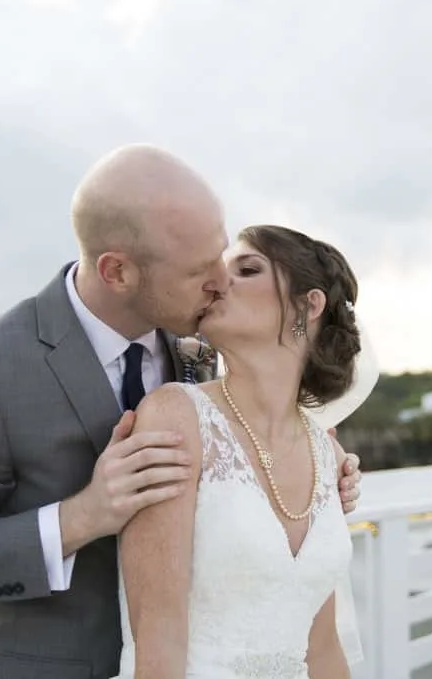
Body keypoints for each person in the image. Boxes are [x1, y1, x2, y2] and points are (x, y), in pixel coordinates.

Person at [0, 145, 364, 679]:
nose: (220, 283)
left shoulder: (196, 354)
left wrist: (312, 482)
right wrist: (81, 516)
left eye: (225, 259)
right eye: (202, 270)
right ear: (118, 272)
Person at [117, 224, 363, 678]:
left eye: (247, 269)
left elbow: (322, 646)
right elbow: (158, 639)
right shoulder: (177, 417)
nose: (217, 282)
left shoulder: (326, 453)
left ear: (309, 306)